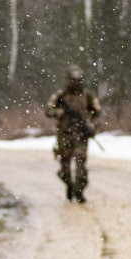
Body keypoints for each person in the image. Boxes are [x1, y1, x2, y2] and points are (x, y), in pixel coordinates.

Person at [45, 65, 101, 203]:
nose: (75, 82)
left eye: (77, 79)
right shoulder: (60, 95)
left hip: (80, 136)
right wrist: (60, 112)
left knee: (81, 165)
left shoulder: (87, 95)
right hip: (64, 135)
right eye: (72, 79)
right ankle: (69, 185)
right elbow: (48, 110)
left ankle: (79, 191)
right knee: (65, 167)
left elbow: (97, 110)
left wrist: (89, 123)